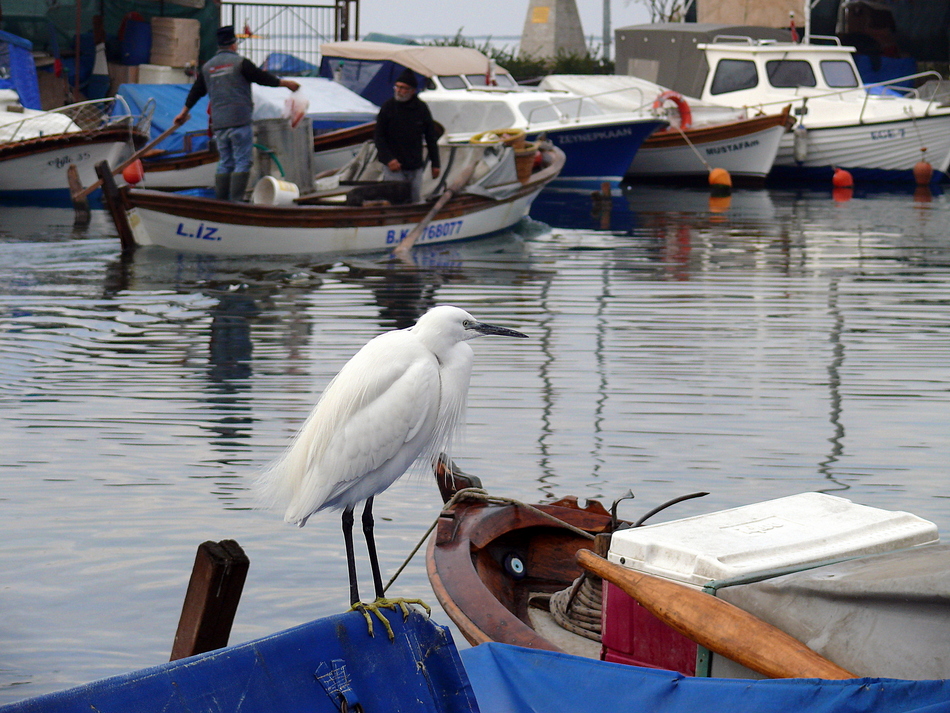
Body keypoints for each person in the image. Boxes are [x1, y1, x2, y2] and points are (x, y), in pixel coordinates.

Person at [174, 25, 300, 202]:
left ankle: (222, 202)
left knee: (225, 162)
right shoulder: (241, 63)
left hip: (219, 124)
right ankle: (235, 202)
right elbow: (263, 78)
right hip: (239, 120)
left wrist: (183, 112)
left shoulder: (208, 68)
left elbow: (196, 91)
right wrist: (286, 84)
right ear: (234, 44)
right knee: (242, 161)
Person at [374, 67, 441, 203]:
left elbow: (430, 137)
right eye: (397, 87)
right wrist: (389, 159)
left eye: (403, 88)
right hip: (393, 166)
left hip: (415, 165)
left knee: (414, 199)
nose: (399, 91)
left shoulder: (421, 109)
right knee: (396, 200)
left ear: (412, 91)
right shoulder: (388, 107)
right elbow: (378, 137)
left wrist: (436, 164)